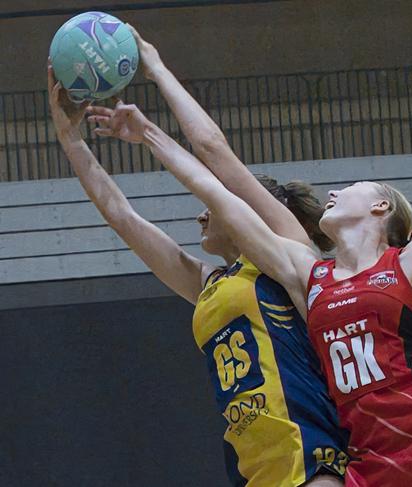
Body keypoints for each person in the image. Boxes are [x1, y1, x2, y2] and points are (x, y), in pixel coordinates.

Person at [85, 61, 412, 487]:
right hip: (373, 460)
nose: (337, 190)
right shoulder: (306, 272)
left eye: (356, 187)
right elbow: (214, 188)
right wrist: (148, 134)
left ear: (381, 209)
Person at [48, 66, 349, 487]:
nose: (201, 213)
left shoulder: (287, 260)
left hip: (312, 458)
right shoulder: (208, 284)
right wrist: (70, 138)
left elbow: (214, 156)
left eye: (213, 206)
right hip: (251, 470)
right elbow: (123, 218)